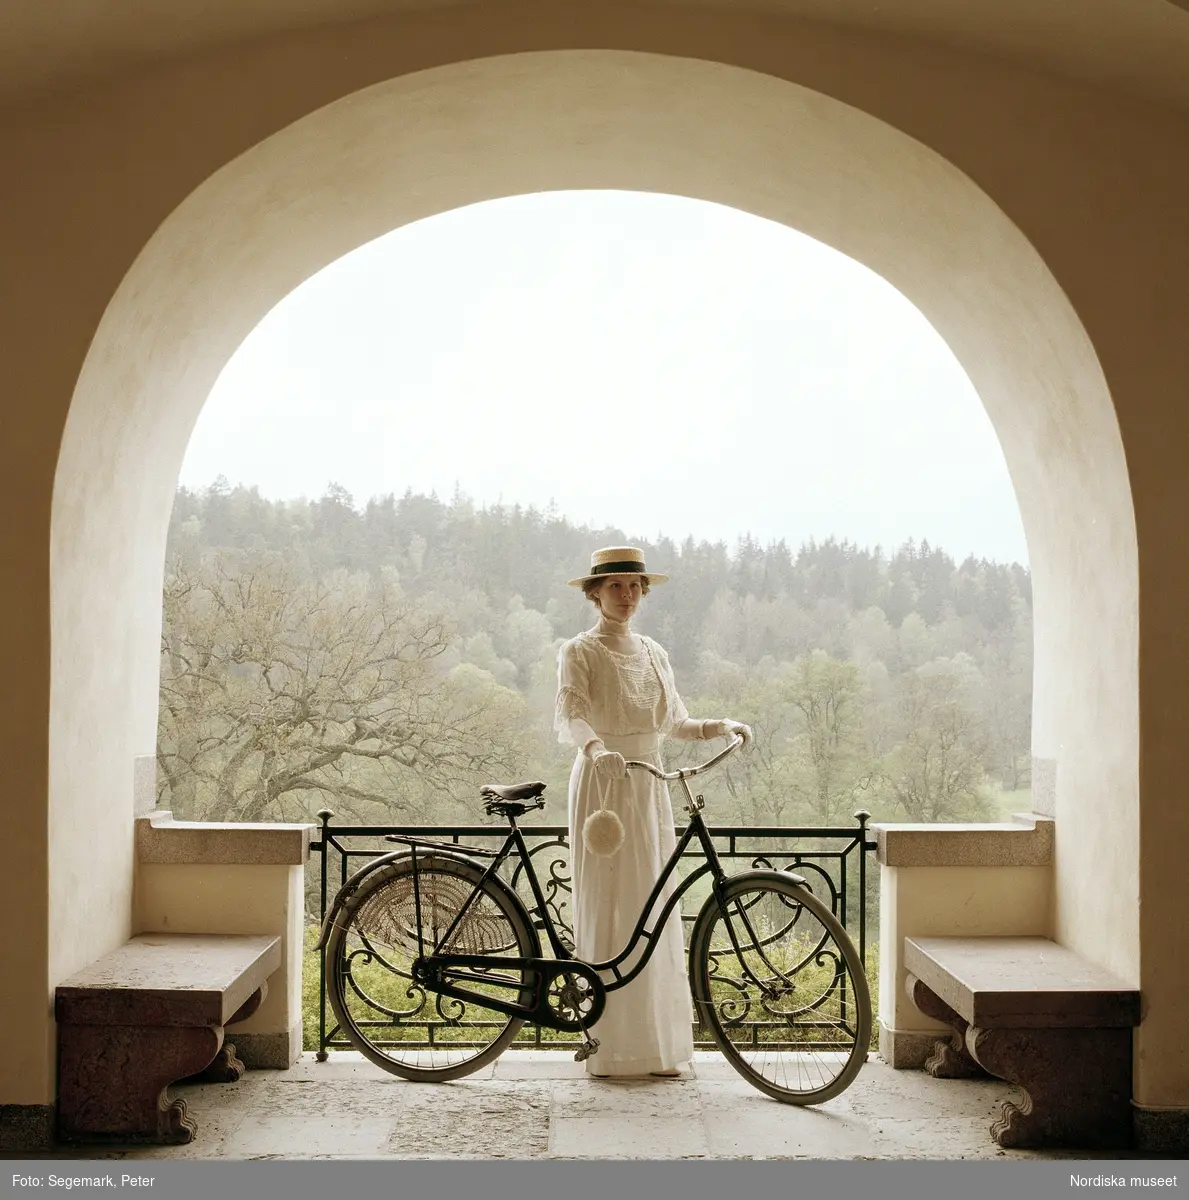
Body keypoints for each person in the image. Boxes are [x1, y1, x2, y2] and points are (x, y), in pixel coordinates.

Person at [554, 545, 753, 1078]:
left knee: (654, 905)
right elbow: (573, 717)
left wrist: (721, 726)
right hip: (605, 786)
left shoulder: (654, 652)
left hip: (649, 783)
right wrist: (598, 751)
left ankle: (657, 1047)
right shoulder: (580, 651)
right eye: (616, 586)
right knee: (612, 900)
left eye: (635, 586)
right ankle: (612, 1048)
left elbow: (677, 725)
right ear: (595, 594)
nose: (627, 595)